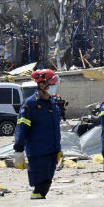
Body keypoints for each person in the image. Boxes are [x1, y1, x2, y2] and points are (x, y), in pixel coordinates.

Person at [13, 69, 63, 199]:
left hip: (52, 152)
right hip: (38, 153)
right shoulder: (30, 104)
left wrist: (58, 149)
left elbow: (54, 129)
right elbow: (21, 128)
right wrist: (18, 150)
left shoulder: (52, 103)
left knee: (46, 184)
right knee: (40, 186)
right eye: (52, 84)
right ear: (42, 85)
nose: (54, 87)